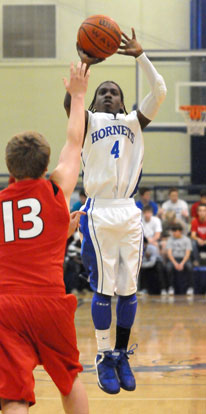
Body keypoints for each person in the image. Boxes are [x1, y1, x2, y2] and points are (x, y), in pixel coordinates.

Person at [64, 28, 167, 395]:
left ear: (123, 104)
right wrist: (86, 63)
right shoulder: (88, 120)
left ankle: (121, 354)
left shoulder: (134, 123)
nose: (108, 95)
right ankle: (103, 355)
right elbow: (72, 102)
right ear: (94, 102)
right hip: (97, 211)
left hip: (128, 211)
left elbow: (160, 93)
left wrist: (141, 56)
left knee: (128, 290)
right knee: (104, 290)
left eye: (115, 92)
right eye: (102, 92)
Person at [0, 62, 90, 414]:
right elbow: (75, 141)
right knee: (69, 379)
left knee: (14, 396)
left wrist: (57, 236)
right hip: (50, 302)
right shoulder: (56, 191)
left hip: (7, 305)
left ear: (10, 167)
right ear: (46, 163)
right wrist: (78, 95)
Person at [166, 223, 194, 296]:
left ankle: (190, 287)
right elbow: (169, 253)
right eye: (173, 231)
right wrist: (175, 263)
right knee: (168, 267)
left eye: (176, 231)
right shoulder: (170, 239)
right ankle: (170, 287)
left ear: (180, 231)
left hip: (184, 258)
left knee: (190, 267)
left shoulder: (187, 239)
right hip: (174, 258)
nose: (174, 233)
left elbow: (188, 253)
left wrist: (182, 263)